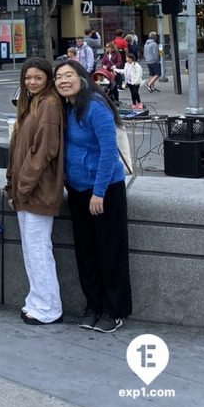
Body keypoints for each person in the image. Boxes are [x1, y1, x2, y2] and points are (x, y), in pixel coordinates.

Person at [54, 59, 132, 334]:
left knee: (110, 252)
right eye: (59, 77)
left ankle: (114, 310)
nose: (63, 81)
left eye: (68, 75)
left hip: (104, 190)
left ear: (82, 77)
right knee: (86, 253)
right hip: (77, 190)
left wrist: (98, 193)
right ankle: (94, 305)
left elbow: (108, 151)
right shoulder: (67, 108)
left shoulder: (95, 106)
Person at [4, 58, 64, 326]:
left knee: (39, 250)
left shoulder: (48, 105)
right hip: (26, 191)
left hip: (37, 191)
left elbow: (43, 152)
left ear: (47, 79)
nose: (32, 82)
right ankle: (37, 301)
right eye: (28, 78)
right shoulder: (31, 105)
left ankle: (48, 307)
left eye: (38, 78)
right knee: (32, 250)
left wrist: (22, 186)